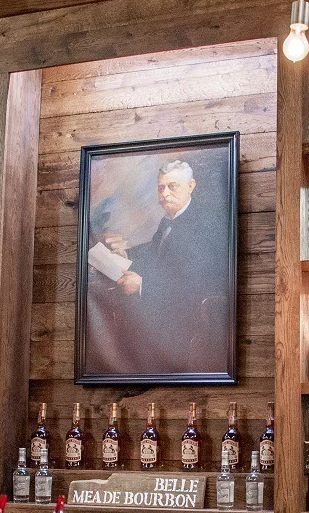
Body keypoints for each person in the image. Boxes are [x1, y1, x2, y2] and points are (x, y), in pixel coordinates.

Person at [93, 159, 231, 376]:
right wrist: (126, 252)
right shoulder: (168, 220)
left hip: (186, 317)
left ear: (191, 185)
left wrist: (142, 285)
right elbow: (157, 254)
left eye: (172, 186)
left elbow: (195, 282)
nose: (165, 193)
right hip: (162, 310)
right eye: (161, 187)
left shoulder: (204, 223)